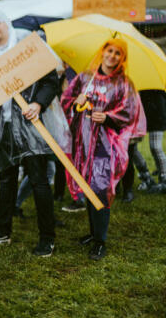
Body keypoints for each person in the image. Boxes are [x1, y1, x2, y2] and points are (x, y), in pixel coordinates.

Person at [0, 11, 60, 257]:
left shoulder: (27, 48)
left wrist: (38, 104)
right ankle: (2, 231)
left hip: (29, 123)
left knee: (38, 180)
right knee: (7, 179)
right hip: (2, 128)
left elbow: (51, 81)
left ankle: (47, 237)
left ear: (6, 23)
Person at [61, 39, 146, 260]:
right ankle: (93, 233)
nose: (112, 56)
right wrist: (75, 101)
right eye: (110, 51)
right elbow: (66, 100)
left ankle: (100, 241)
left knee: (101, 188)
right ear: (102, 52)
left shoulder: (124, 83)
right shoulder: (85, 78)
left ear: (122, 58)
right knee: (88, 186)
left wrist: (107, 117)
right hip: (83, 142)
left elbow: (129, 112)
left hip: (107, 146)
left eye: (118, 53)